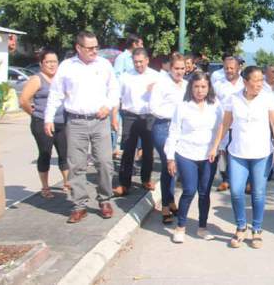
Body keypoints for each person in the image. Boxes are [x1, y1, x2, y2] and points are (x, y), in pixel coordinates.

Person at [45, 31, 119, 223]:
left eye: (96, 47)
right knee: (76, 165)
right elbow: (55, 94)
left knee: (104, 162)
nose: (94, 51)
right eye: (90, 48)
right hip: (75, 122)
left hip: (99, 120)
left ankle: (104, 200)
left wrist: (108, 106)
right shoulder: (67, 67)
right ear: (78, 48)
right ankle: (79, 205)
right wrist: (48, 118)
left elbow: (114, 89)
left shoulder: (104, 65)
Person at [208, 66, 274, 249]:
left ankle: (257, 229)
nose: (259, 84)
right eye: (255, 80)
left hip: (262, 154)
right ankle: (241, 226)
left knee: (258, 193)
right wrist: (215, 146)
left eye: (261, 80)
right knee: (236, 191)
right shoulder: (233, 99)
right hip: (237, 153)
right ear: (245, 82)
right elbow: (225, 124)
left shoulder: (267, 98)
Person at [165, 72, 221, 243]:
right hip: (186, 153)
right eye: (196, 86)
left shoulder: (216, 106)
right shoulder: (183, 106)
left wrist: (218, 148)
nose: (199, 90)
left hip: (208, 155)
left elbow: (221, 128)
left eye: (203, 86)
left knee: (204, 192)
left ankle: (202, 228)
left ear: (209, 88)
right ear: (191, 88)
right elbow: (174, 131)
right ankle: (180, 227)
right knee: (189, 190)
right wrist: (170, 157)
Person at [19, 48, 70, 198]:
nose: (52, 65)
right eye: (48, 62)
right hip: (42, 123)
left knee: (65, 154)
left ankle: (67, 183)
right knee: (45, 154)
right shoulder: (37, 79)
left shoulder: (61, 78)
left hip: (62, 121)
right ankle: (45, 187)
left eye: (54, 61)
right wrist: (35, 114)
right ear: (41, 64)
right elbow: (23, 100)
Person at [113, 48, 160, 196]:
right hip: (129, 116)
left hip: (149, 117)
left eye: (141, 61)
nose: (138, 64)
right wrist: (114, 116)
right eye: (135, 62)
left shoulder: (156, 76)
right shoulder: (125, 77)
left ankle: (145, 179)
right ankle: (124, 183)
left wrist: (156, 90)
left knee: (148, 152)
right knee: (128, 151)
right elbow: (116, 97)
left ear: (147, 60)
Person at [149, 53, 187, 223]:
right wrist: (175, 115)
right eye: (176, 68)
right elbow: (154, 108)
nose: (179, 72)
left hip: (182, 130)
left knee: (176, 167)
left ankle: (171, 200)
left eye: (182, 68)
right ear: (170, 68)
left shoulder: (187, 85)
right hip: (163, 127)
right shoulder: (162, 84)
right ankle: (165, 205)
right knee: (168, 164)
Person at [212, 56, 244, 192]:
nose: (229, 71)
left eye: (232, 68)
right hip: (223, 125)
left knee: (238, 153)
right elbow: (213, 104)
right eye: (226, 68)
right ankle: (226, 180)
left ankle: (241, 181)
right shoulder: (218, 85)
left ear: (238, 68)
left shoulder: (245, 83)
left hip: (240, 125)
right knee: (223, 153)